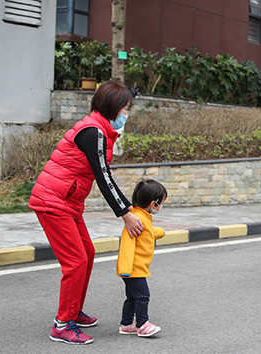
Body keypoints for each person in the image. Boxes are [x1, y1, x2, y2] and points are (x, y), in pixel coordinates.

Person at [29, 81, 144, 345]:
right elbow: (104, 178)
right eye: (125, 108)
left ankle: (73, 311)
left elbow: (102, 175)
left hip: (67, 201)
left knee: (87, 254)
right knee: (76, 260)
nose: (127, 113)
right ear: (113, 108)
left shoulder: (99, 129)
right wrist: (126, 213)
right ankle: (62, 324)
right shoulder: (93, 133)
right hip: (53, 201)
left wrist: (126, 209)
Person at [117, 179, 166, 338]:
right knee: (143, 296)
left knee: (132, 297)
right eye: (162, 203)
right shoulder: (135, 219)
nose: (161, 206)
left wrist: (160, 232)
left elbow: (147, 231)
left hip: (135, 268)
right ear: (153, 203)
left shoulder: (141, 216)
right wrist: (124, 269)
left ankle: (126, 324)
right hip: (133, 269)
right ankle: (142, 324)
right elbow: (127, 243)